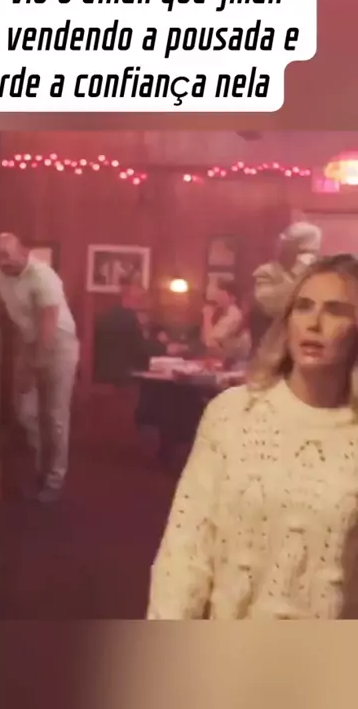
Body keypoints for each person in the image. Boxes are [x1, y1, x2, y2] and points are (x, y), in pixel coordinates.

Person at [148, 254, 358, 619]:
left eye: (336, 311)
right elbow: (185, 550)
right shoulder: (232, 414)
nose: (314, 323)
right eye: (304, 307)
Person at [0, 233, 79, 503]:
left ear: (24, 253)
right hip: (28, 341)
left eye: (8, 256)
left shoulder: (43, 276)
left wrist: (33, 367)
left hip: (57, 344)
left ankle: (54, 479)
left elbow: (48, 326)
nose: (3, 262)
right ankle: (38, 468)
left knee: (55, 416)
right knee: (25, 411)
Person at [201, 279, 250, 362]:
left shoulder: (233, 315)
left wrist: (207, 317)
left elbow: (210, 343)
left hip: (231, 363)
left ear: (233, 298)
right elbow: (204, 340)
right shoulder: (224, 314)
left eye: (221, 295)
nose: (217, 298)